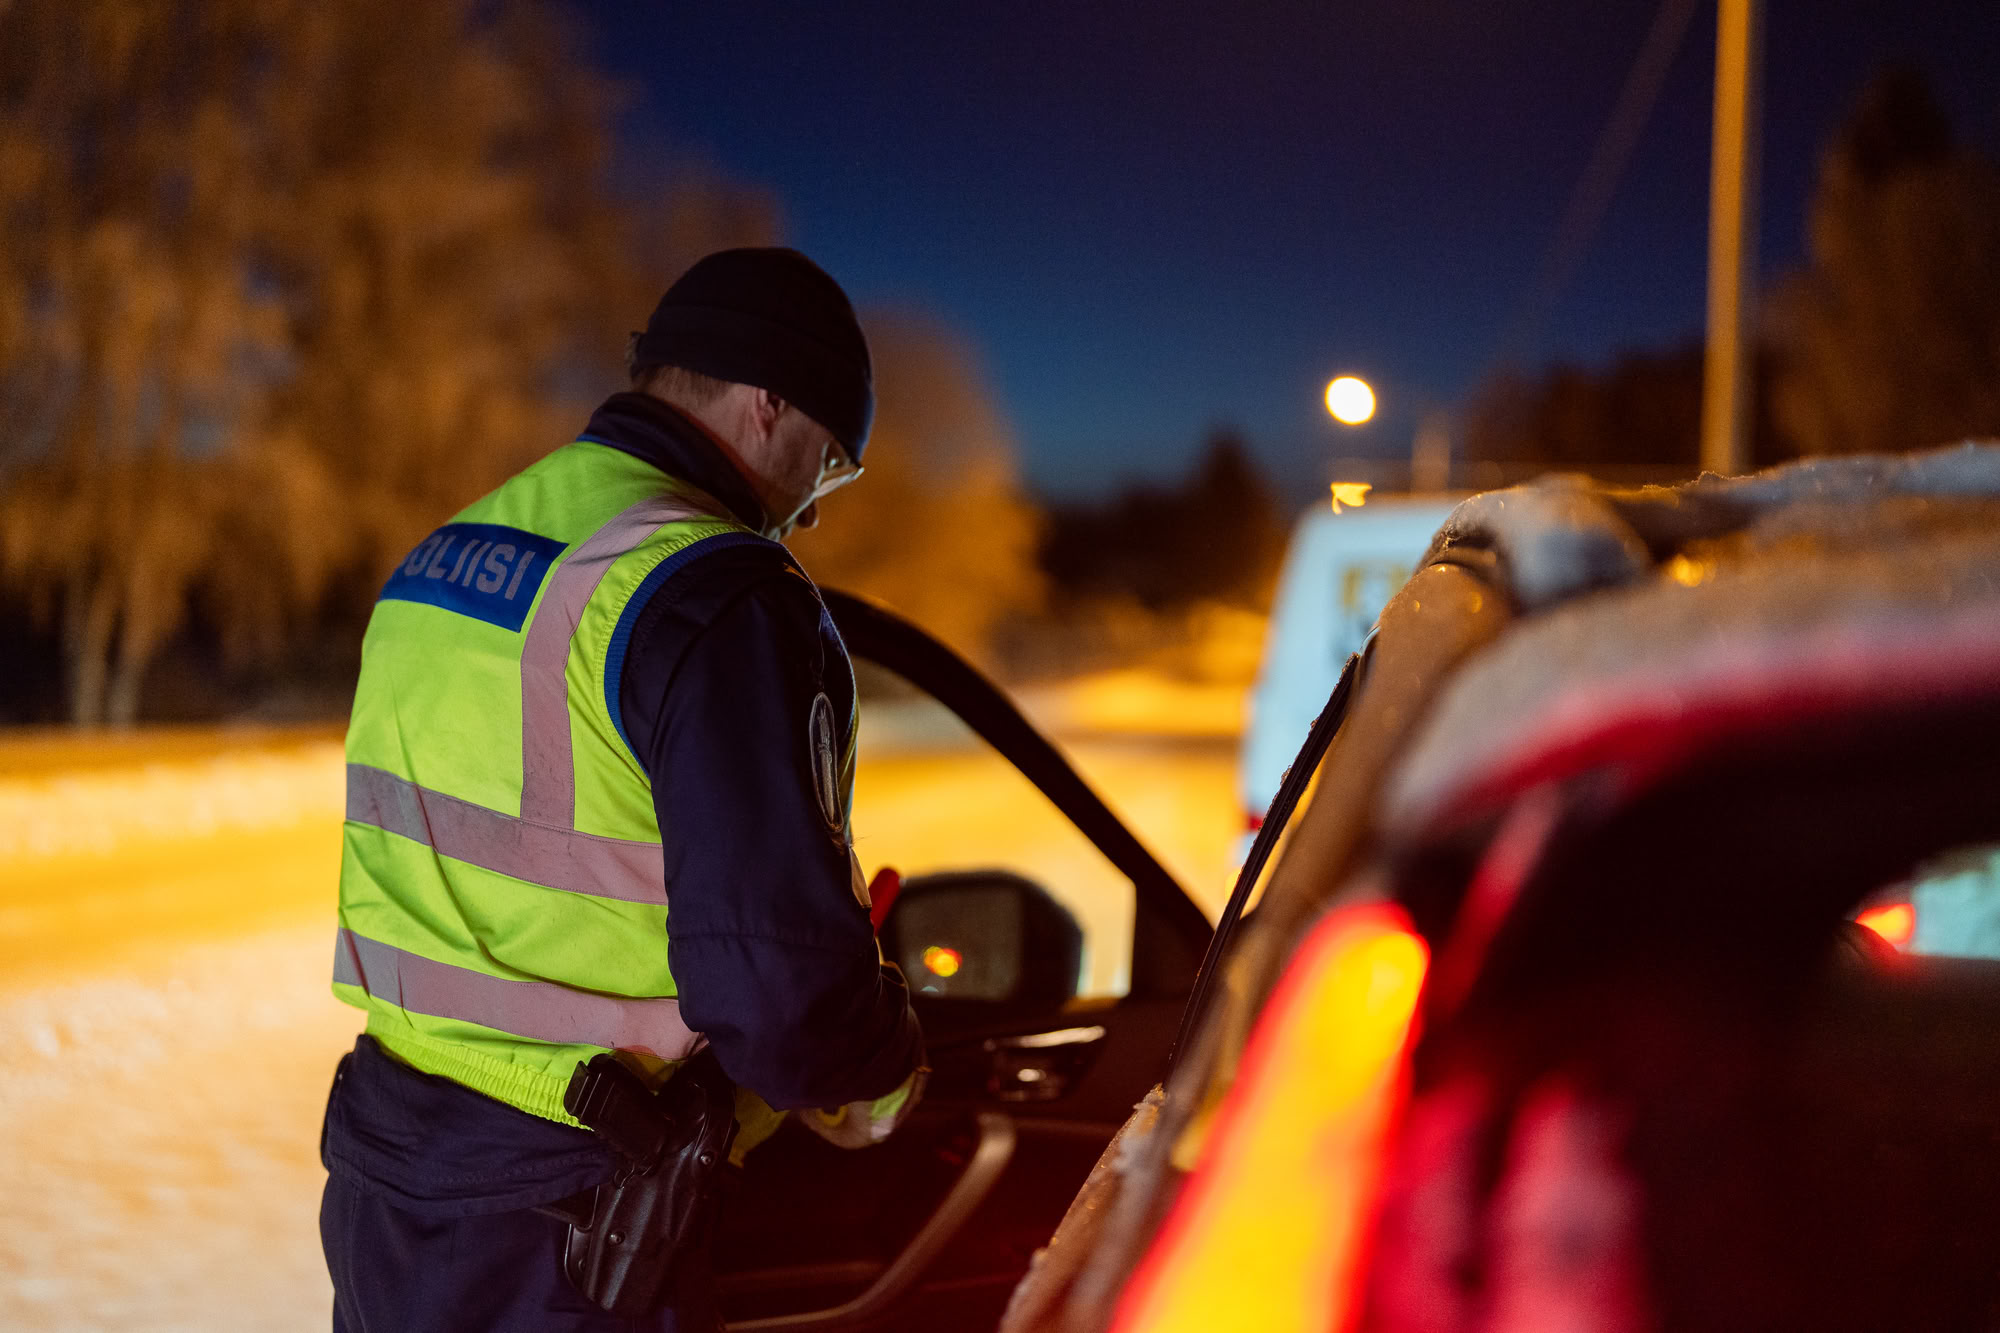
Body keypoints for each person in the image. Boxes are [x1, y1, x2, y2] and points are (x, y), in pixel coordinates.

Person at [318, 248, 926, 1332]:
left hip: (387, 1176)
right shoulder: (718, 590)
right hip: (571, 1217)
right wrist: (874, 1073)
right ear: (767, 402)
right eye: (826, 462)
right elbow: (780, 1003)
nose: (812, 510)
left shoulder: (450, 551)